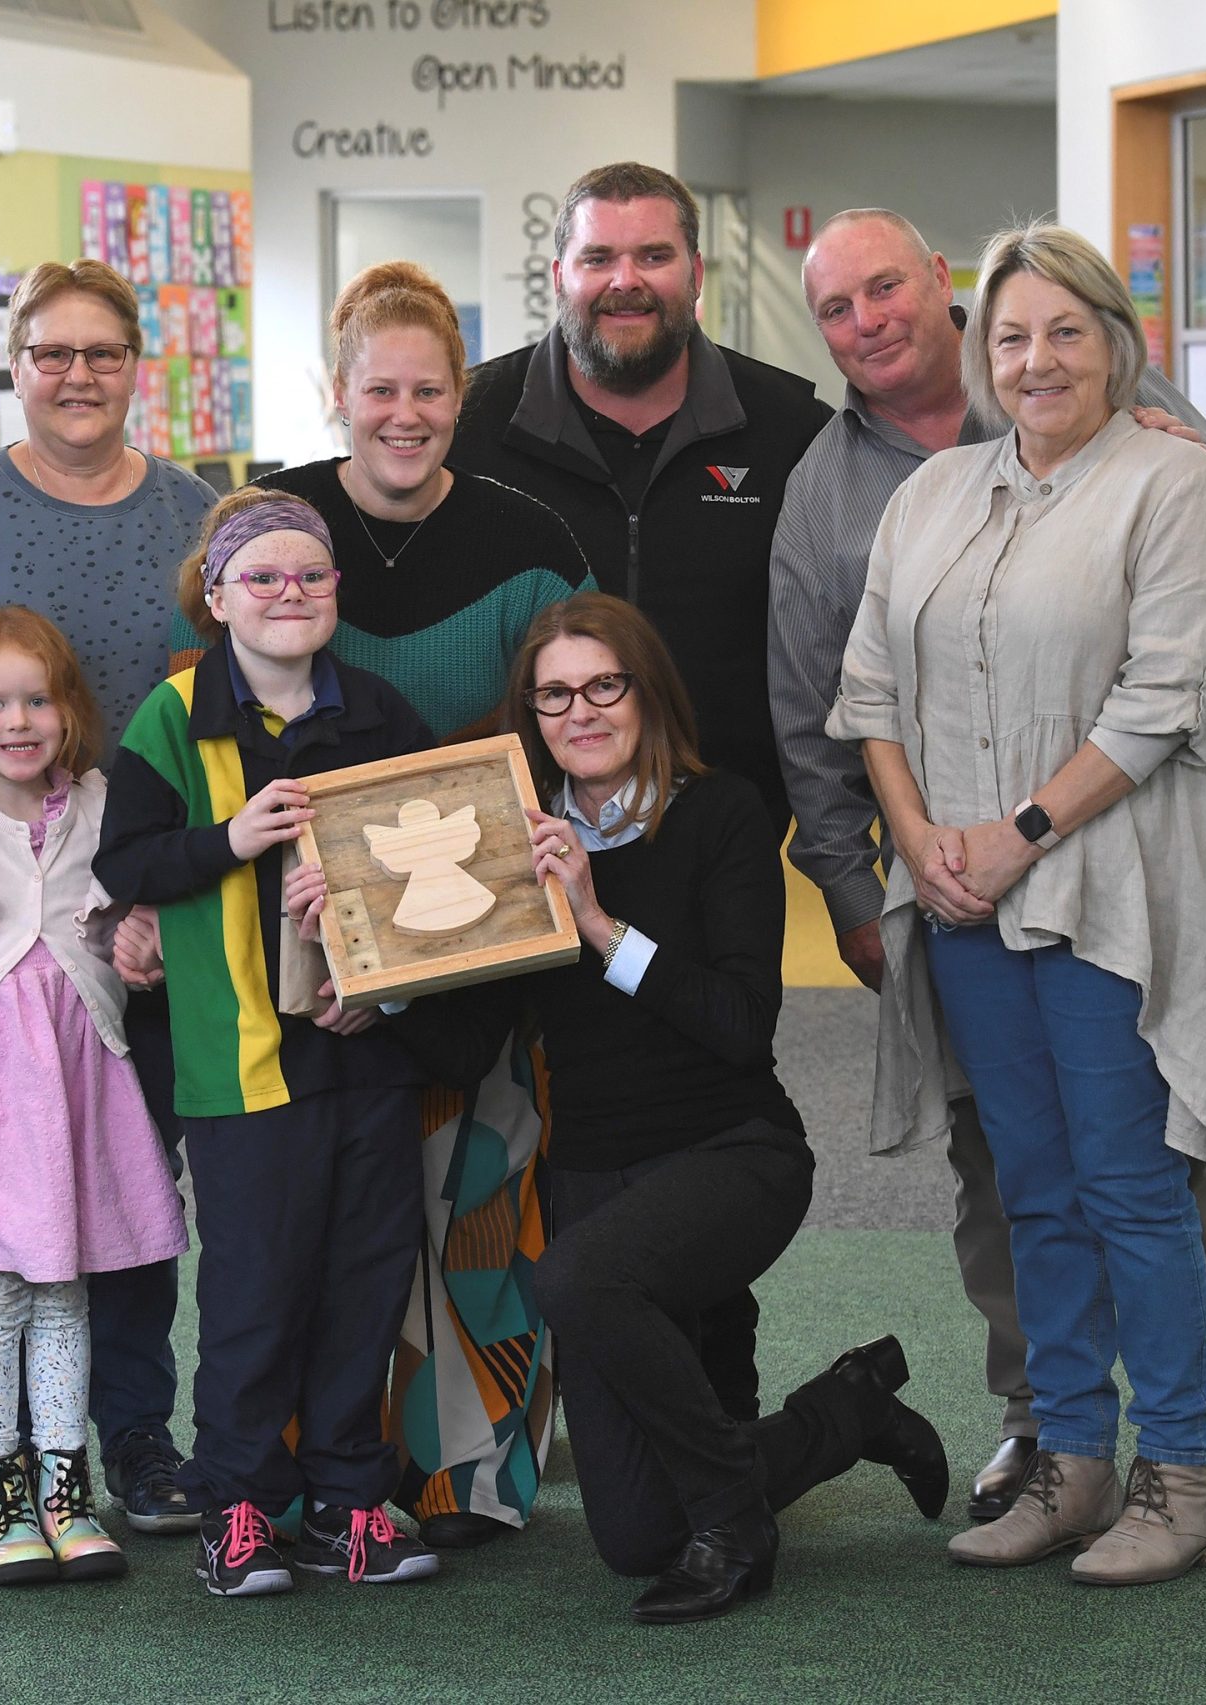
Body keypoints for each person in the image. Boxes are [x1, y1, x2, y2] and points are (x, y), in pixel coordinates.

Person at [766, 207, 1206, 1523]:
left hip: (1107, 892)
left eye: (1063, 332)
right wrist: (907, 855)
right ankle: (1061, 1448)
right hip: (956, 900)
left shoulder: (1165, 466)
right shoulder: (900, 490)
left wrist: (1017, 835)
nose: (1037, 357)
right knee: (1023, 1183)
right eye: (1018, 338)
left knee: (1142, 1176)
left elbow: (1172, 684)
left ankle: (1190, 1453)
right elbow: (850, 690)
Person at [360, 593, 946, 1625]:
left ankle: (736, 1521)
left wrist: (594, 920)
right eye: (551, 695)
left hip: (733, 1151)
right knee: (633, 1536)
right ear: (529, 715)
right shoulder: (521, 845)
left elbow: (736, 1023)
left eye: (601, 685)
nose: (578, 711)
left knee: (574, 1275)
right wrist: (380, 981)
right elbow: (463, 1047)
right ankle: (846, 1410)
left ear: (645, 691)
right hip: (597, 1168)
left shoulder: (719, 813)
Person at [448, 159, 832, 1425]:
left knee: (701, 1093)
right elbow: (349, 504)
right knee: (550, 1126)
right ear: (556, 273)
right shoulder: (478, 415)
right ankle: (535, 1415)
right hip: (529, 836)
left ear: (693, 274)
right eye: (599, 258)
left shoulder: (785, 427)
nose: (625, 282)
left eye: (652, 257)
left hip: (712, 835)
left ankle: (715, 1405)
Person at [0, 257, 215, 1533]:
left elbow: (233, 694)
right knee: (29, 1191)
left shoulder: (194, 509)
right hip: (12, 918)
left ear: (138, 365)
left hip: (168, 901)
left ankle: (133, 1435)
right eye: (51, 354)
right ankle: (12, 1454)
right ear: (16, 367)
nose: (77, 376)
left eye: (102, 353)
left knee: (138, 1182)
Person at [257, 260, 590, 1549]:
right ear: (335, 392)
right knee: (317, 1217)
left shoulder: (523, 541)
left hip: (480, 943)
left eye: (430, 388)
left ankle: (471, 1471)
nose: (405, 412)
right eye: (378, 388)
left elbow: (581, 722)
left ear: (464, 394)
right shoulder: (272, 526)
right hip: (299, 945)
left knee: (477, 1203)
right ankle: (297, 1469)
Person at [94, 490, 441, 1597]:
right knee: (253, 1290)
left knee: (362, 1284)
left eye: (311, 576)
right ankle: (236, 1501)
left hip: (368, 1051)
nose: (290, 594)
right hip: (237, 1061)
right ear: (217, 594)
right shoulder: (174, 713)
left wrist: (381, 991)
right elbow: (125, 864)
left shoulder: (380, 711)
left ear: (338, 591)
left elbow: (436, 868)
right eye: (264, 578)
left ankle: (349, 1498)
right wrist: (229, 840)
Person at [0, 606, 189, 1588]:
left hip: (81, 1068)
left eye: (38, 699)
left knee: (66, 1284)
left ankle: (64, 1482)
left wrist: (137, 940)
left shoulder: (96, 808)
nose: (19, 720)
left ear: (68, 709)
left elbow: (117, 914)